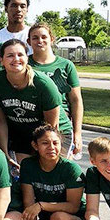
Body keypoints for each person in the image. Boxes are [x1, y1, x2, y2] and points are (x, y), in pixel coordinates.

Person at [0, 39, 69, 175]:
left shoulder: (43, 84)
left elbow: (51, 127)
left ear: (27, 58)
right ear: (1, 60)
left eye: (20, 55)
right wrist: (5, 154)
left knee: (51, 172)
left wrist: (42, 154)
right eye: (10, 55)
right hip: (22, 133)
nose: (16, 59)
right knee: (21, 173)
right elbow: (0, 121)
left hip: (56, 132)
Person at [28, 22, 84, 158]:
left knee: (62, 169)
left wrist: (77, 133)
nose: (40, 41)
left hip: (61, 126)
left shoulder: (66, 65)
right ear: (28, 41)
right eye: (35, 38)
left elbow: (76, 101)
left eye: (44, 37)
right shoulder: (25, 64)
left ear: (51, 39)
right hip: (33, 124)